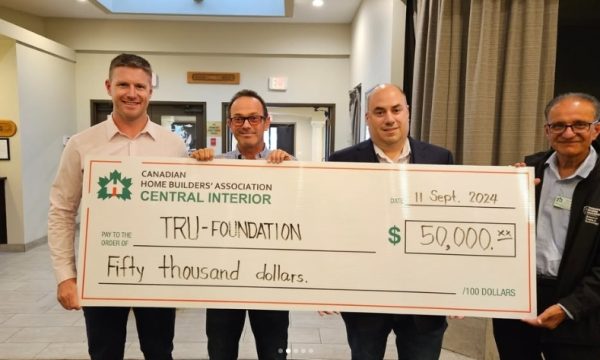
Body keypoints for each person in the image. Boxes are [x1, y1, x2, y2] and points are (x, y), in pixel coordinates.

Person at [48, 53, 188, 359]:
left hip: (157, 274)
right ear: (109, 86)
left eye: (140, 86)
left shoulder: (173, 146)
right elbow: (61, 210)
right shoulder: (82, 144)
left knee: (160, 351)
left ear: (151, 90)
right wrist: (65, 276)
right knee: (104, 352)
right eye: (123, 84)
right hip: (101, 273)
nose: (132, 93)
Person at [328, 84, 451, 360]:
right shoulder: (342, 161)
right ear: (367, 118)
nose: (389, 119)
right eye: (379, 112)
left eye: (396, 110)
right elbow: (332, 226)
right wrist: (328, 284)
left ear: (408, 112)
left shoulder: (440, 159)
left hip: (424, 297)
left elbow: (452, 224)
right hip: (365, 297)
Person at [493, 93, 600, 359]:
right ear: (547, 131)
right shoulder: (527, 172)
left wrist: (570, 307)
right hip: (518, 300)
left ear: (596, 129)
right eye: (558, 125)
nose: (568, 132)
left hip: (577, 308)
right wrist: (504, 196)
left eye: (579, 124)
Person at [191, 89, 292, 360]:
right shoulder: (212, 166)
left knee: (275, 353)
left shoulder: (290, 167)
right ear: (229, 124)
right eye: (238, 119)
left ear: (266, 122)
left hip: (272, 280)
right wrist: (194, 166)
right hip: (223, 280)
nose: (246, 124)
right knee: (221, 352)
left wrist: (292, 171)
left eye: (254, 118)